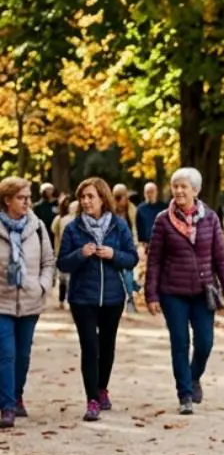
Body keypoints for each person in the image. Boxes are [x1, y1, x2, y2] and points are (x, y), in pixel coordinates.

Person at [145, 168, 224, 415]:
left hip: (204, 292)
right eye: (175, 186)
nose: (179, 191)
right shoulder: (163, 220)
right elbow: (155, 260)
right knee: (180, 342)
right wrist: (151, 294)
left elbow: (220, 257)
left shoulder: (211, 218)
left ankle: (193, 377)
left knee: (205, 342)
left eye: (184, 186)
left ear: (196, 190)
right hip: (173, 292)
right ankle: (184, 394)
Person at [56, 177, 138, 422]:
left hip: (113, 297)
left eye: (90, 196)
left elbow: (132, 258)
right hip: (82, 298)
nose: (85, 201)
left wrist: (114, 254)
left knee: (107, 347)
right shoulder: (73, 227)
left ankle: (102, 389)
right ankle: (92, 400)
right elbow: (62, 263)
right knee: (90, 347)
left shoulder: (119, 226)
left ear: (103, 198)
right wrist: (80, 254)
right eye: (82, 197)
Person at [0, 179, 55, 428]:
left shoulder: (38, 227)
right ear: (7, 200)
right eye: (21, 197)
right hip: (2, 302)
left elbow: (48, 261)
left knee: (23, 354)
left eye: (28, 197)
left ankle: (17, 394)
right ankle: (7, 406)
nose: (26, 202)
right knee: (6, 354)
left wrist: (42, 285)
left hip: (30, 301)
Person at [111, 184, 140, 312]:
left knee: (128, 272)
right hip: (113, 246)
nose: (119, 201)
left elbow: (135, 228)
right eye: (116, 198)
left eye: (120, 197)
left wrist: (135, 244)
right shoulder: (110, 210)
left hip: (128, 246)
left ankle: (130, 299)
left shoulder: (132, 210)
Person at [52, 196, 76, 308]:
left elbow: (53, 231)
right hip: (73, 252)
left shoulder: (59, 219)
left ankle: (62, 301)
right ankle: (70, 300)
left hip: (61, 251)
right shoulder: (79, 220)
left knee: (63, 279)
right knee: (71, 278)